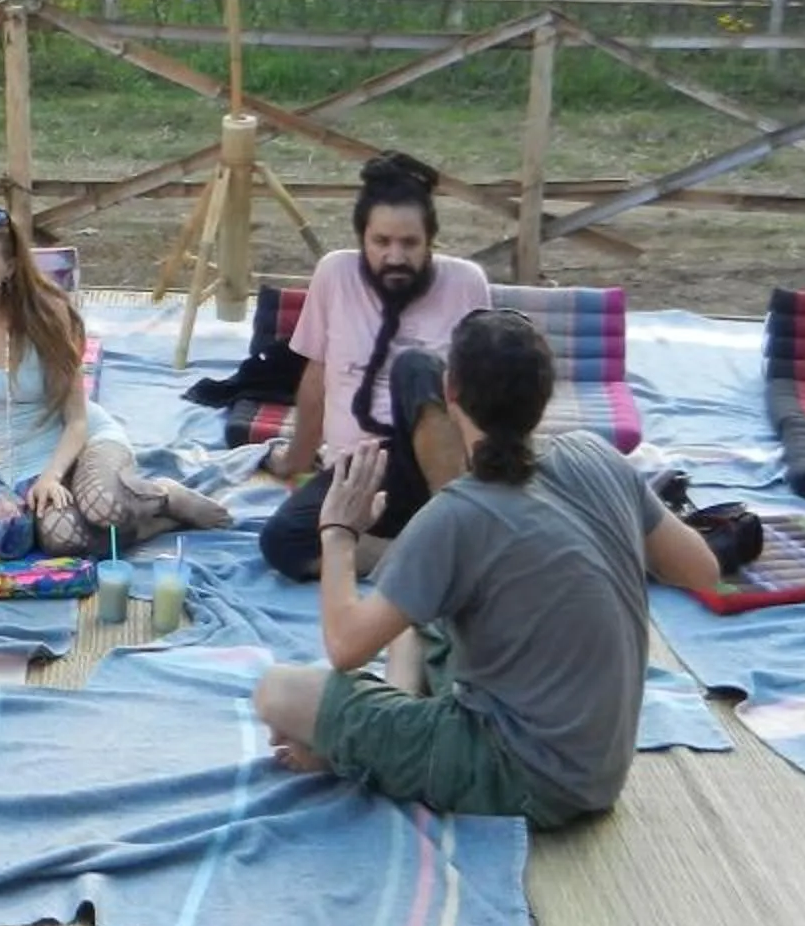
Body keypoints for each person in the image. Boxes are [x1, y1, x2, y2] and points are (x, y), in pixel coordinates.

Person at [253, 308, 722, 826]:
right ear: (546, 396)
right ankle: (390, 718)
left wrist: (339, 532)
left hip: (527, 778)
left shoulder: (457, 514)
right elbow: (702, 568)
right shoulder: (597, 454)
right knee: (416, 608)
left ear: (449, 391)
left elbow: (344, 648)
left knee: (279, 691)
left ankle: (375, 739)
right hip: (600, 766)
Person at [0, 200, 229, 554]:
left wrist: (53, 474)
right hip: (21, 466)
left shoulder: (46, 316)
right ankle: (159, 522)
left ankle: (165, 495)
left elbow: (77, 419)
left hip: (84, 438)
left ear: (9, 268)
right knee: (60, 536)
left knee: (102, 507)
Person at [259, 152, 494, 582]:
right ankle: (424, 557)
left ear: (430, 242)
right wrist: (294, 457)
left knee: (418, 367)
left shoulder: (466, 284)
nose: (395, 256)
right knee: (282, 542)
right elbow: (316, 377)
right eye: (381, 242)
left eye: (409, 244)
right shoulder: (335, 274)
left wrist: (490, 477)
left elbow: (485, 395)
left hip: (434, 468)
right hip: (357, 472)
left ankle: (461, 529)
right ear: (362, 239)